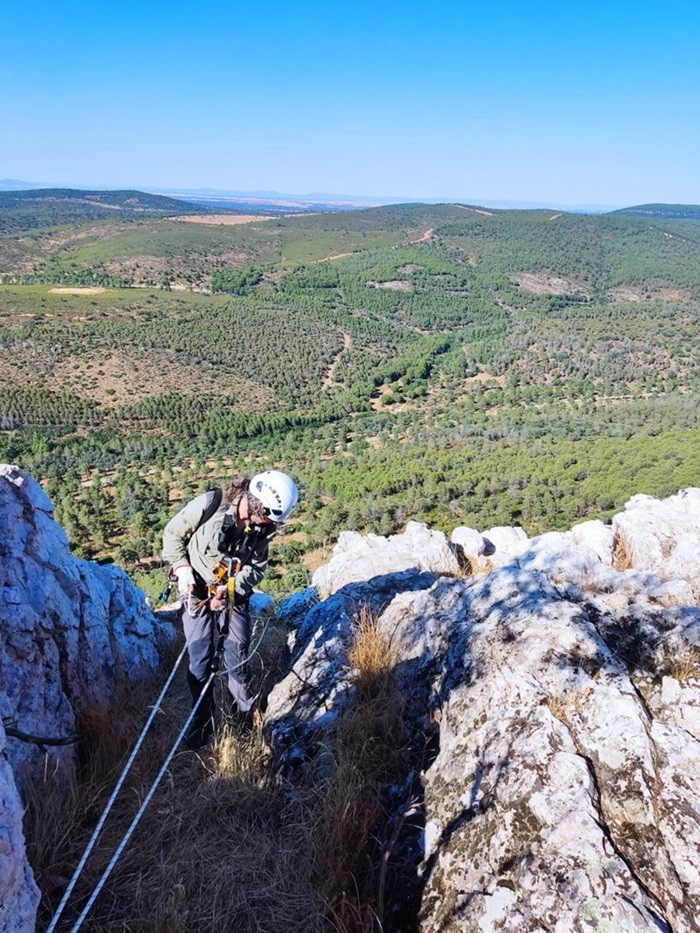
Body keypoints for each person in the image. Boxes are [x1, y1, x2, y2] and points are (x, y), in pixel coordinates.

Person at [162, 470, 298, 748]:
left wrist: (231, 589)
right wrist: (183, 568)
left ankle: (243, 720)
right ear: (256, 506)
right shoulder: (212, 504)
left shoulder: (261, 529)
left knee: (238, 658)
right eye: (268, 519)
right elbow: (173, 534)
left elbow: (256, 568)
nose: (271, 526)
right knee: (200, 661)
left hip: (232, 596)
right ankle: (202, 724)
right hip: (197, 589)